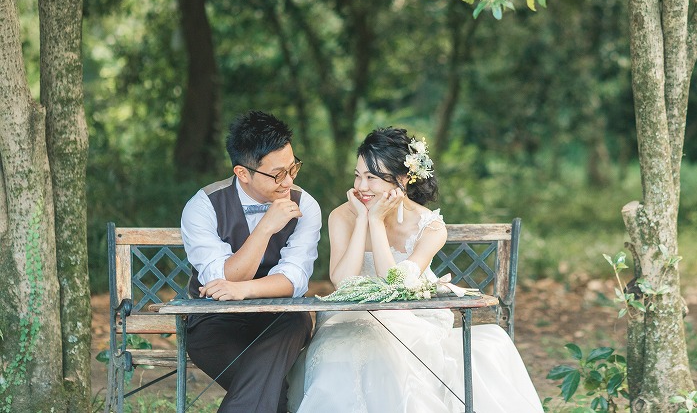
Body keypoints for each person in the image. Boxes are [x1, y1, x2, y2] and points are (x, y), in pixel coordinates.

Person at [287, 127, 544, 413]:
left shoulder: (431, 227)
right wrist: (362, 220)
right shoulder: (342, 216)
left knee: (386, 351)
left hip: (410, 316)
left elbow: (394, 287)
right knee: (344, 349)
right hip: (351, 314)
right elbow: (342, 281)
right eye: (357, 174)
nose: (361, 186)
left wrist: (376, 222)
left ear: (403, 179)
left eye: (372, 177)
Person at [181, 110, 322, 413]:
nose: (289, 181)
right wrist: (266, 227)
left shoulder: (305, 205)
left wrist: (244, 290)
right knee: (274, 395)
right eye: (277, 174)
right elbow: (222, 278)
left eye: (292, 167)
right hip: (213, 321)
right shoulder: (203, 206)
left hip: (279, 318)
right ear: (243, 173)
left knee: (295, 321)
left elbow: (293, 280)